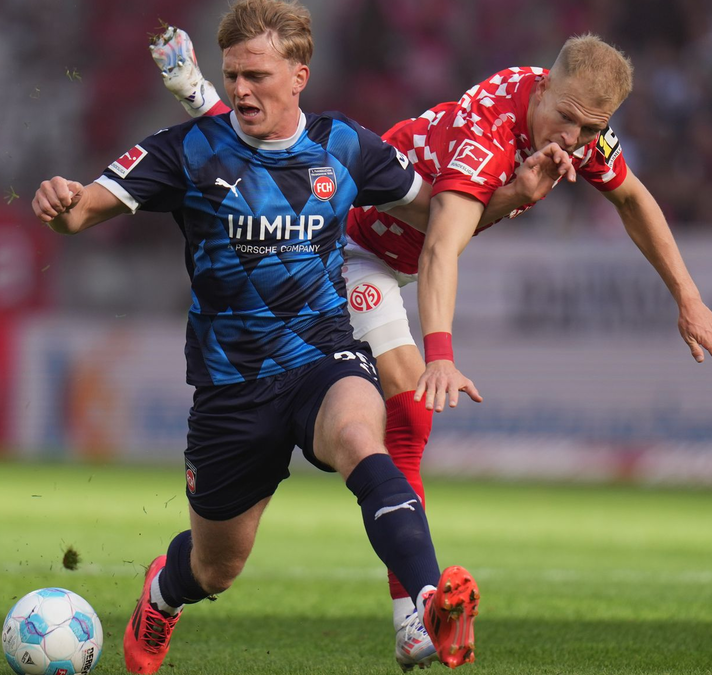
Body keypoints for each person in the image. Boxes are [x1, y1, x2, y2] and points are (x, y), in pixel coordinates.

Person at [151, 24, 712, 672]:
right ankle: (415, 617)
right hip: (347, 246)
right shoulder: (489, 134)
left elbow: (632, 197)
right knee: (406, 408)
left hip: (390, 254)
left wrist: (687, 297)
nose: (573, 137)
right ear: (544, 86)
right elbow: (440, 243)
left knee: (376, 439)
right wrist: (440, 349)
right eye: (568, 118)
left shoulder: (573, 125)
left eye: (590, 126)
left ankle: (414, 616)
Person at [33, 2, 480, 672]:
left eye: (257, 75)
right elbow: (83, 212)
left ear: (299, 76)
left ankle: (429, 600)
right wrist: (63, 204)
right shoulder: (189, 150)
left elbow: (441, 209)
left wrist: (510, 191)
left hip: (323, 357)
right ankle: (163, 590)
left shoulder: (347, 147)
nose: (242, 88)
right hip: (232, 387)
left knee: (366, 436)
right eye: (232, 75)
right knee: (216, 566)